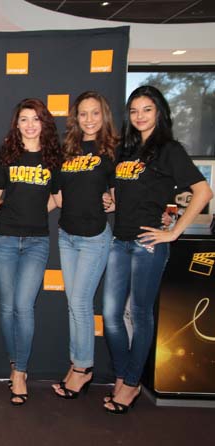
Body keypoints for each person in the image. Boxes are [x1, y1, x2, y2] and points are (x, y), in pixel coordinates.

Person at [102, 85, 212, 414]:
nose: (140, 116)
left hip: (147, 245)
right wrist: (113, 202)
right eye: (134, 110)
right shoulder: (125, 150)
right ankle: (123, 376)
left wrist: (174, 232)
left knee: (139, 315)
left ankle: (130, 383)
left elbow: (203, 192)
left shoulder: (169, 149)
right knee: (111, 316)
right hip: (119, 241)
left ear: (159, 112)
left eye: (147, 109)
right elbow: (128, 192)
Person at [0, 98, 61, 406]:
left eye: (35, 119)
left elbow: (58, 198)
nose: (30, 125)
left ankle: (20, 372)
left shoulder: (53, 158)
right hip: (4, 239)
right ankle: (14, 362)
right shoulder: (6, 156)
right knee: (7, 307)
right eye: (24, 119)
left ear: (44, 123)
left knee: (23, 306)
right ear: (16, 125)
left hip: (36, 242)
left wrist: (35, 212)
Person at [50, 91, 117, 399]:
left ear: (104, 116)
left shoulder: (112, 151)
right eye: (83, 113)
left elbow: (122, 193)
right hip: (67, 236)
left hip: (94, 238)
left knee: (79, 302)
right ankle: (76, 363)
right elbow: (58, 196)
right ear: (75, 118)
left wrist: (112, 202)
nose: (89, 119)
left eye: (95, 113)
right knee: (73, 304)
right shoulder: (67, 151)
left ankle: (84, 368)